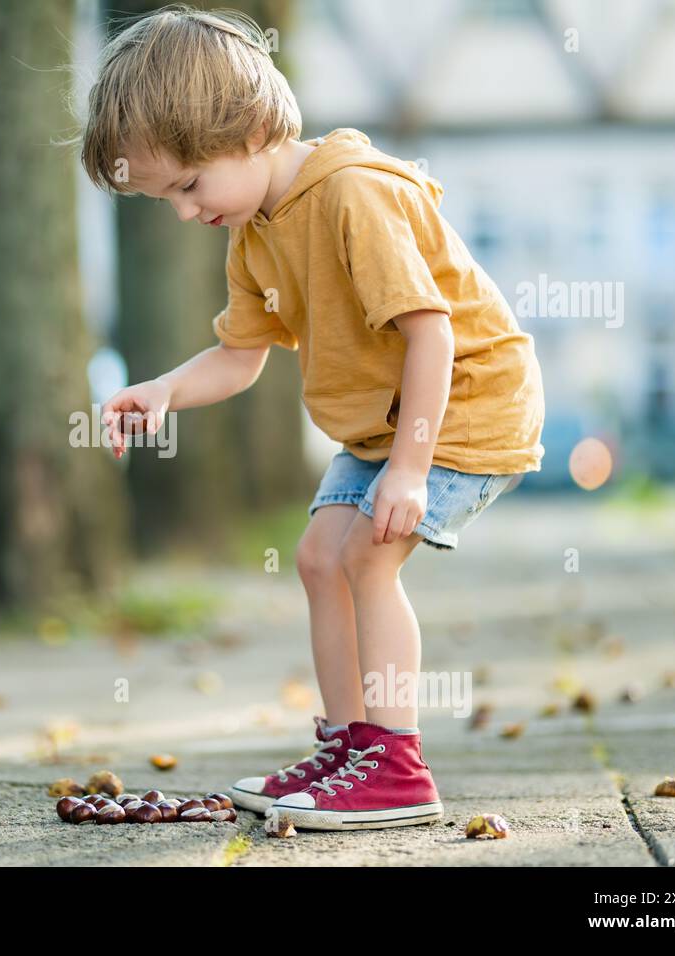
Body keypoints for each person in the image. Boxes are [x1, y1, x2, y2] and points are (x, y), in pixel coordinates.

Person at [77, 4, 544, 831]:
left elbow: (431, 336)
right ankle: (346, 747)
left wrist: (407, 469)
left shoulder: (354, 196)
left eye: (189, 185)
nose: (185, 212)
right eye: (165, 200)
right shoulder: (254, 228)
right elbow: (242, 354)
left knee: (368, 558)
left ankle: (395, 765)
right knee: (318, 559)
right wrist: (161, 390)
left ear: (254, 127)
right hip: (382, 422)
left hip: (465, 406)